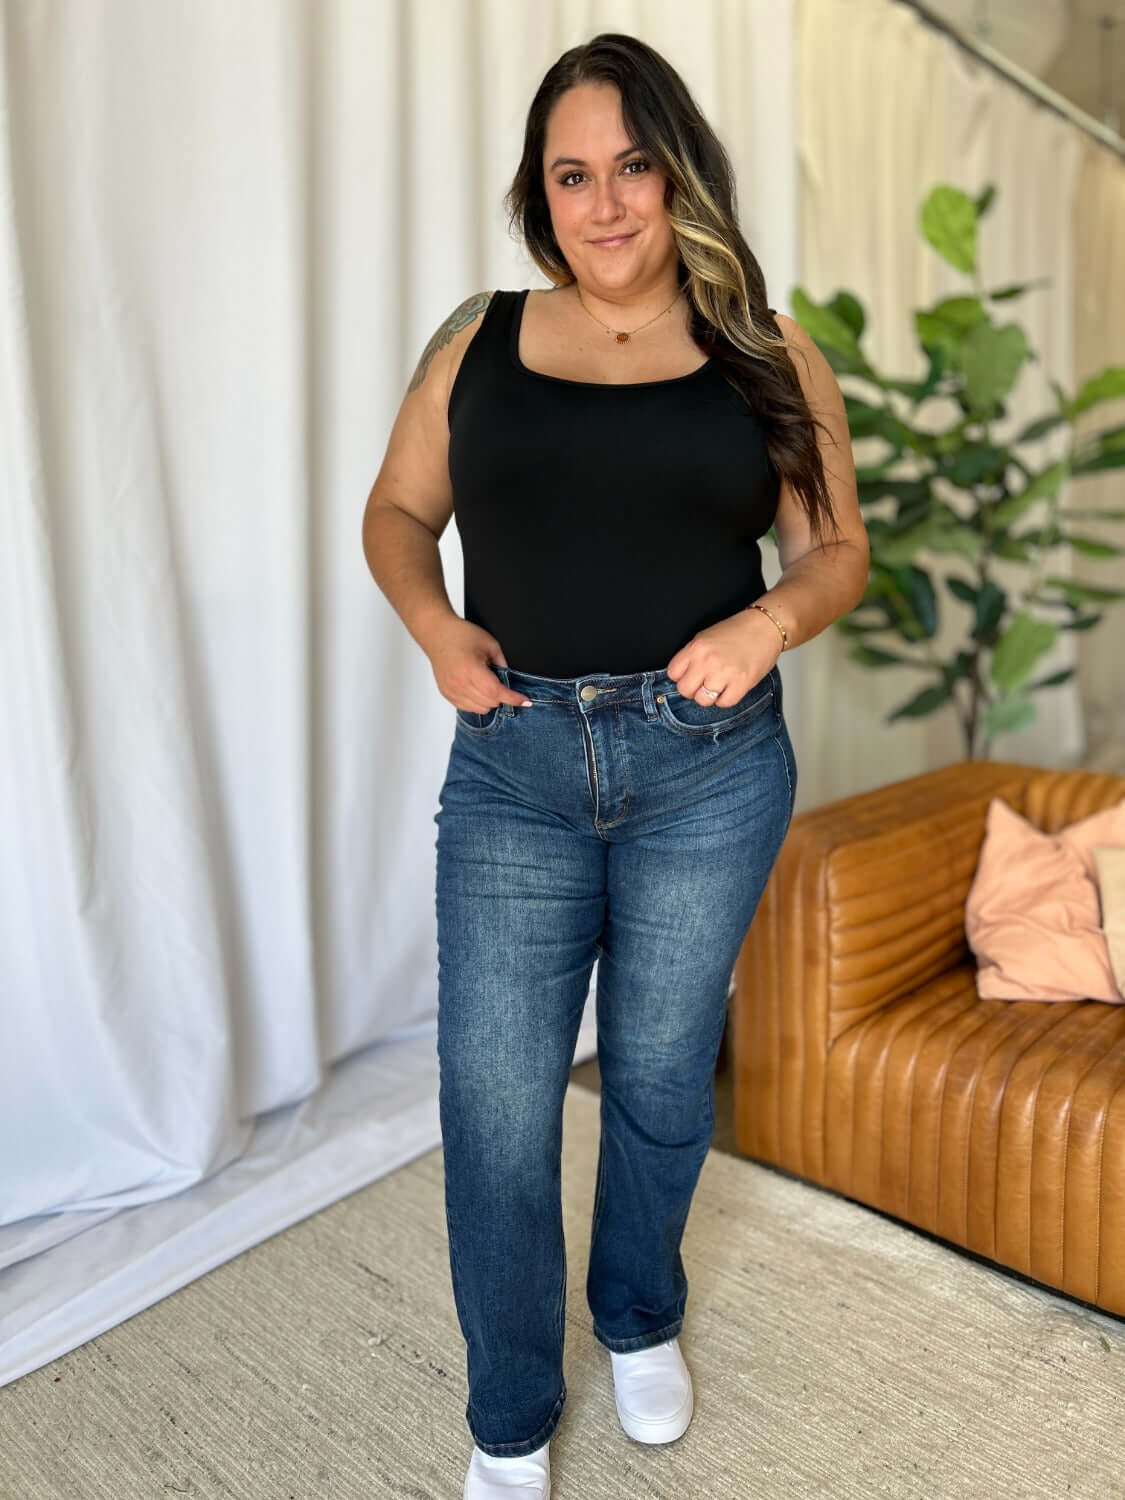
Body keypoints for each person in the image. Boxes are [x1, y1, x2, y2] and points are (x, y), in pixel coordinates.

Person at [362, 31, 868, 1500]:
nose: (604, 205)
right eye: (570, 174)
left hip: (704, 770)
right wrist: (439, 631)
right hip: (513, 763)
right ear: (541, 192)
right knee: (498, 1102)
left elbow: (834, 552)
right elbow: (397, 512)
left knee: (655, 1074)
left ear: (678, 173)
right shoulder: (479, 338)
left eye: (631, 166)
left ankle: (637, 1313)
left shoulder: (766, 350)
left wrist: (765, 621)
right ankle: (510, 1412)